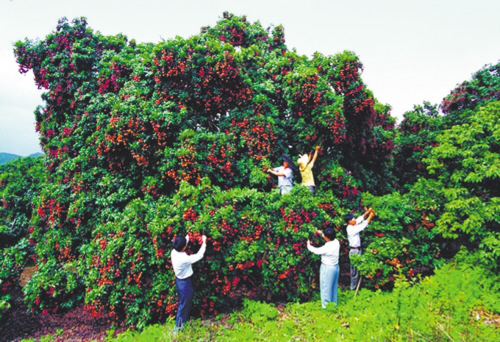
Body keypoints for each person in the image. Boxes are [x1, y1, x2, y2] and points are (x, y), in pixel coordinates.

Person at [171, 233, 207, 330]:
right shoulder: (183, 258)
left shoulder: (174, 251)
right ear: (183, 248)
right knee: (184, 304)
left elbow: (184, 241)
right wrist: (204, 243)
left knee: (185, 303)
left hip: (181, 281)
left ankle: (183, 323)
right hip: (184, 283)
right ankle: (178, 328)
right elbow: (199, 256)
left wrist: (190, 234)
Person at [306, 227, 340, 308]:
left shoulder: (327, 247)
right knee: (333, 286)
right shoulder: (336, 242)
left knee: (325, 287)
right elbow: (328, 238)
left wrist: (308, 245)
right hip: (335, 267)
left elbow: (316, 251)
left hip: (327, 268)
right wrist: (321, 234)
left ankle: (326, 307)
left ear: (327, 237)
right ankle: (334, 304)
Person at [345, 208, 375, 291]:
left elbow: (360, 219)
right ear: (349, 222)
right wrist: (371, 216)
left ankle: (359, 286)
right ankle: (353, 288)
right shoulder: (350, 229)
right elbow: (363, 224)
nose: (355, 219)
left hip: (358, 249)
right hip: (354, 251)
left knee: (359, 268)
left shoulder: (353, 224)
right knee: (354, 270)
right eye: (352, 219)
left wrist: (367, 212)